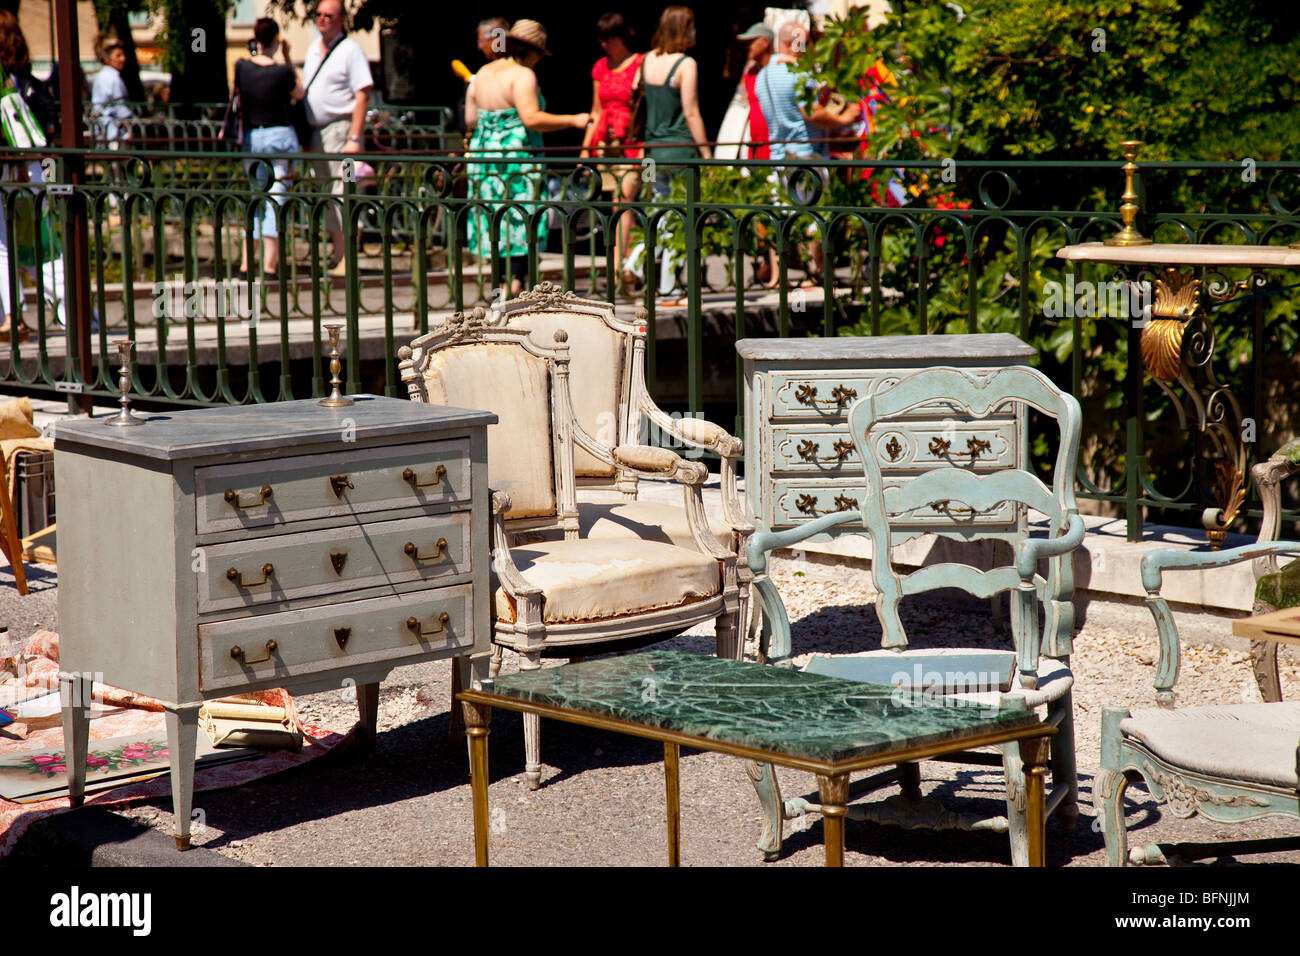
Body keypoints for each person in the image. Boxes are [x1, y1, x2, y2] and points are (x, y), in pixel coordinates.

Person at [464, 19, 589, 298]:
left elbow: (470, 119)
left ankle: (499, 288)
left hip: (485, 159)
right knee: (521, 223)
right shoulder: (522, 76)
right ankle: (516, 286)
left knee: (495, 223)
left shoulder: (482, 72)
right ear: (532, 51)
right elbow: (531, 118)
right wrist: (574, 120)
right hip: (515, 161)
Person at [754, 22, 859, 286]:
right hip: (805, 155)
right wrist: (845, 118)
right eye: (807, 42)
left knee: (782, 216)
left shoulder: (762, 75)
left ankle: (779, 277)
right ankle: (818, 275)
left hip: (777, 155)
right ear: (795, 44)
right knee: (813, 218)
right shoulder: (798, 73)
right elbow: (810, 113)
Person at [0, 11, 64, 340]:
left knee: (22, 244)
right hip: (29, 165)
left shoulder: (10, 80)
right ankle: (73, 312)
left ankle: (16, 315)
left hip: (18, 166)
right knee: (40, 242)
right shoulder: (23, 76)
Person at [302, 0, 373, 276]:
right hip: (317, 132)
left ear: (341, 19)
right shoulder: (312, 49)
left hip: (342, 131)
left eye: (328, 15)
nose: (322, 19)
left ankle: (349, 257)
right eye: (318, 14)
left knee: (344, 193)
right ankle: (338, 254)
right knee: (327, 193)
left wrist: (354, 136)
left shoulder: (351, 51)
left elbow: (363, 94)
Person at [235, 18, 304, 280]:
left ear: (255, 38)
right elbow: (299, 94)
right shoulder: (282, 72)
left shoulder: (242, 68)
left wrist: (256, 50)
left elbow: (244, 79)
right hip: (280, 138)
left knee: (255, 198)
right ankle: (269, 265)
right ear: (276, 38)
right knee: (276, 199)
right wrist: (286, 56)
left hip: (253, 139)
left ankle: (245, 264)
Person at [579, 12, 643, 296]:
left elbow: (643, 108)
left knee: (624, 200)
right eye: (601, 39)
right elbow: (596, 110)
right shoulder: (600, 67)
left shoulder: (640, 63)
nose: (605, 44)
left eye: (610, 38)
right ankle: (624, 268)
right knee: (615, 203)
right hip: (606, 142)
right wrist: (585, 150)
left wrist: (643, 143)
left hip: (630, 141)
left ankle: (617, 268)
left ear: (622, 36)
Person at [642, 4, 711, 195]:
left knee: (655, 210)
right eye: (692, 27)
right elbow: (691, 113)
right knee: (682, 211)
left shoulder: (646, 59)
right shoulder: (686, 64)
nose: (695, 32)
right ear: (683, 29)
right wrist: (706, 154)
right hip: (680, 151)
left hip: (652, 152)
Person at [736, 22, 773, 160]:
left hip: (775, 149)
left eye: (751, 41)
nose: (748, 46)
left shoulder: (780, 71)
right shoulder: (750, 73)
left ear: (764, 42)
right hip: (753, 147)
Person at [90, 34, 132, 147]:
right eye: (118, 56)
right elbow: (119, 105)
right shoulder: (112, 77)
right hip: (113, 129)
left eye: (123, 55)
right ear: (107, 59)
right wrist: (128, 125)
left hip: (104, 127)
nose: (123, 59)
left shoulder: (101, 75)